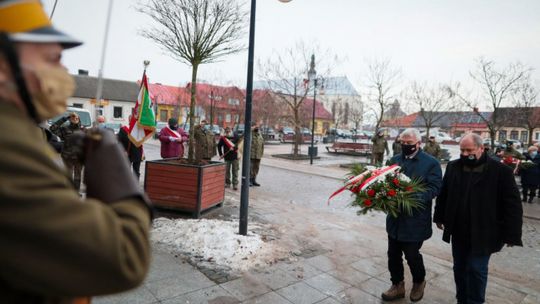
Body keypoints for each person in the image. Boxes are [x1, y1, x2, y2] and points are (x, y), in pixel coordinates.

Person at [0, 1, 152, 302]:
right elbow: (123, 256)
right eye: (53, 58)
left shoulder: (22, 131)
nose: (64, 70)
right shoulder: (8, 145)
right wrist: (118, 177)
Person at [434, 134, 523, 304]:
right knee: (459, 268)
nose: (465, 153)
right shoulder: (453, 167)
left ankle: (475, 301)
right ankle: (462, 299)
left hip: (485, 232)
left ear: (482, 149)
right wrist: (439, 216)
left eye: (469, 150)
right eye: (462, 150)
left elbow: (512, 205)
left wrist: (512, 234)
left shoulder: (501, 171)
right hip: (459, 230)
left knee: (476, 269)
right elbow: (444, 194)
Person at [381, 128, 442, 302]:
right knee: (393, 254)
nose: (406, 146)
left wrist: (411, 197)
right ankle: (397, 285)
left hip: (415, 220)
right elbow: (385, 182)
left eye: (409, 143)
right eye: (403, 143)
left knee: (412, 254)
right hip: (395, 218)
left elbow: (435, 187)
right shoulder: (394, 160)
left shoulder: (431, 163)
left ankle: (419, 281)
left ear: (418, 143)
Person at [50, 112, 86, 191]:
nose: (75, 119)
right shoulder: (65, 129)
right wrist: (64, 118)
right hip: (67, 156)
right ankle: (69, 192)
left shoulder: (83, 130)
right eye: (73, 118)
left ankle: (76, 192)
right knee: (68, 175)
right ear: (70, 119)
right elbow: (52, 128)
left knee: (78, 175)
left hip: (79, 156)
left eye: (77, 118)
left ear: (79, 119)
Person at [250, 123, 265, 187]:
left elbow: (262, 145)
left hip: (258, 155)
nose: (257, 127)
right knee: (250, 168)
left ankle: (254, 180)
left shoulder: (260, 135)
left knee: (256, 168)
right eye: (255, 126)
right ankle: (249, 180)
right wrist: (251, 130)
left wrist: (261, 154)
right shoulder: (250, 134)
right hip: (251, 155)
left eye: (258, 127)